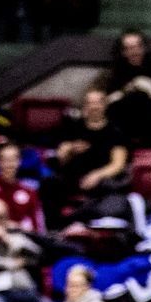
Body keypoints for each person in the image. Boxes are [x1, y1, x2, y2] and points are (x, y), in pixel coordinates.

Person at [40, 88, 129, 227]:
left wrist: (96, 175)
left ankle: (88, 224)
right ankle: (53, 228)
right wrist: (71, 149)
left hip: (101, 180)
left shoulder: (115, 131)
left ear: (104, 105)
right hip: (73, 178)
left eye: (98, 103)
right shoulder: (73, 127)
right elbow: (61, 157)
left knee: (108, 189)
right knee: (49, 183)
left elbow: (118, 164)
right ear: (85, 106)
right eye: (90, 103)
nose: (94, 107)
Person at [101, 29, 151, 141]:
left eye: (138, 47)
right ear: (122, 52)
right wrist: (126, 90)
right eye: (129, 48)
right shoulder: (111, 74)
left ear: (144, 48)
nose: (134, 52)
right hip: (120, 129)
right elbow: (99, 102)